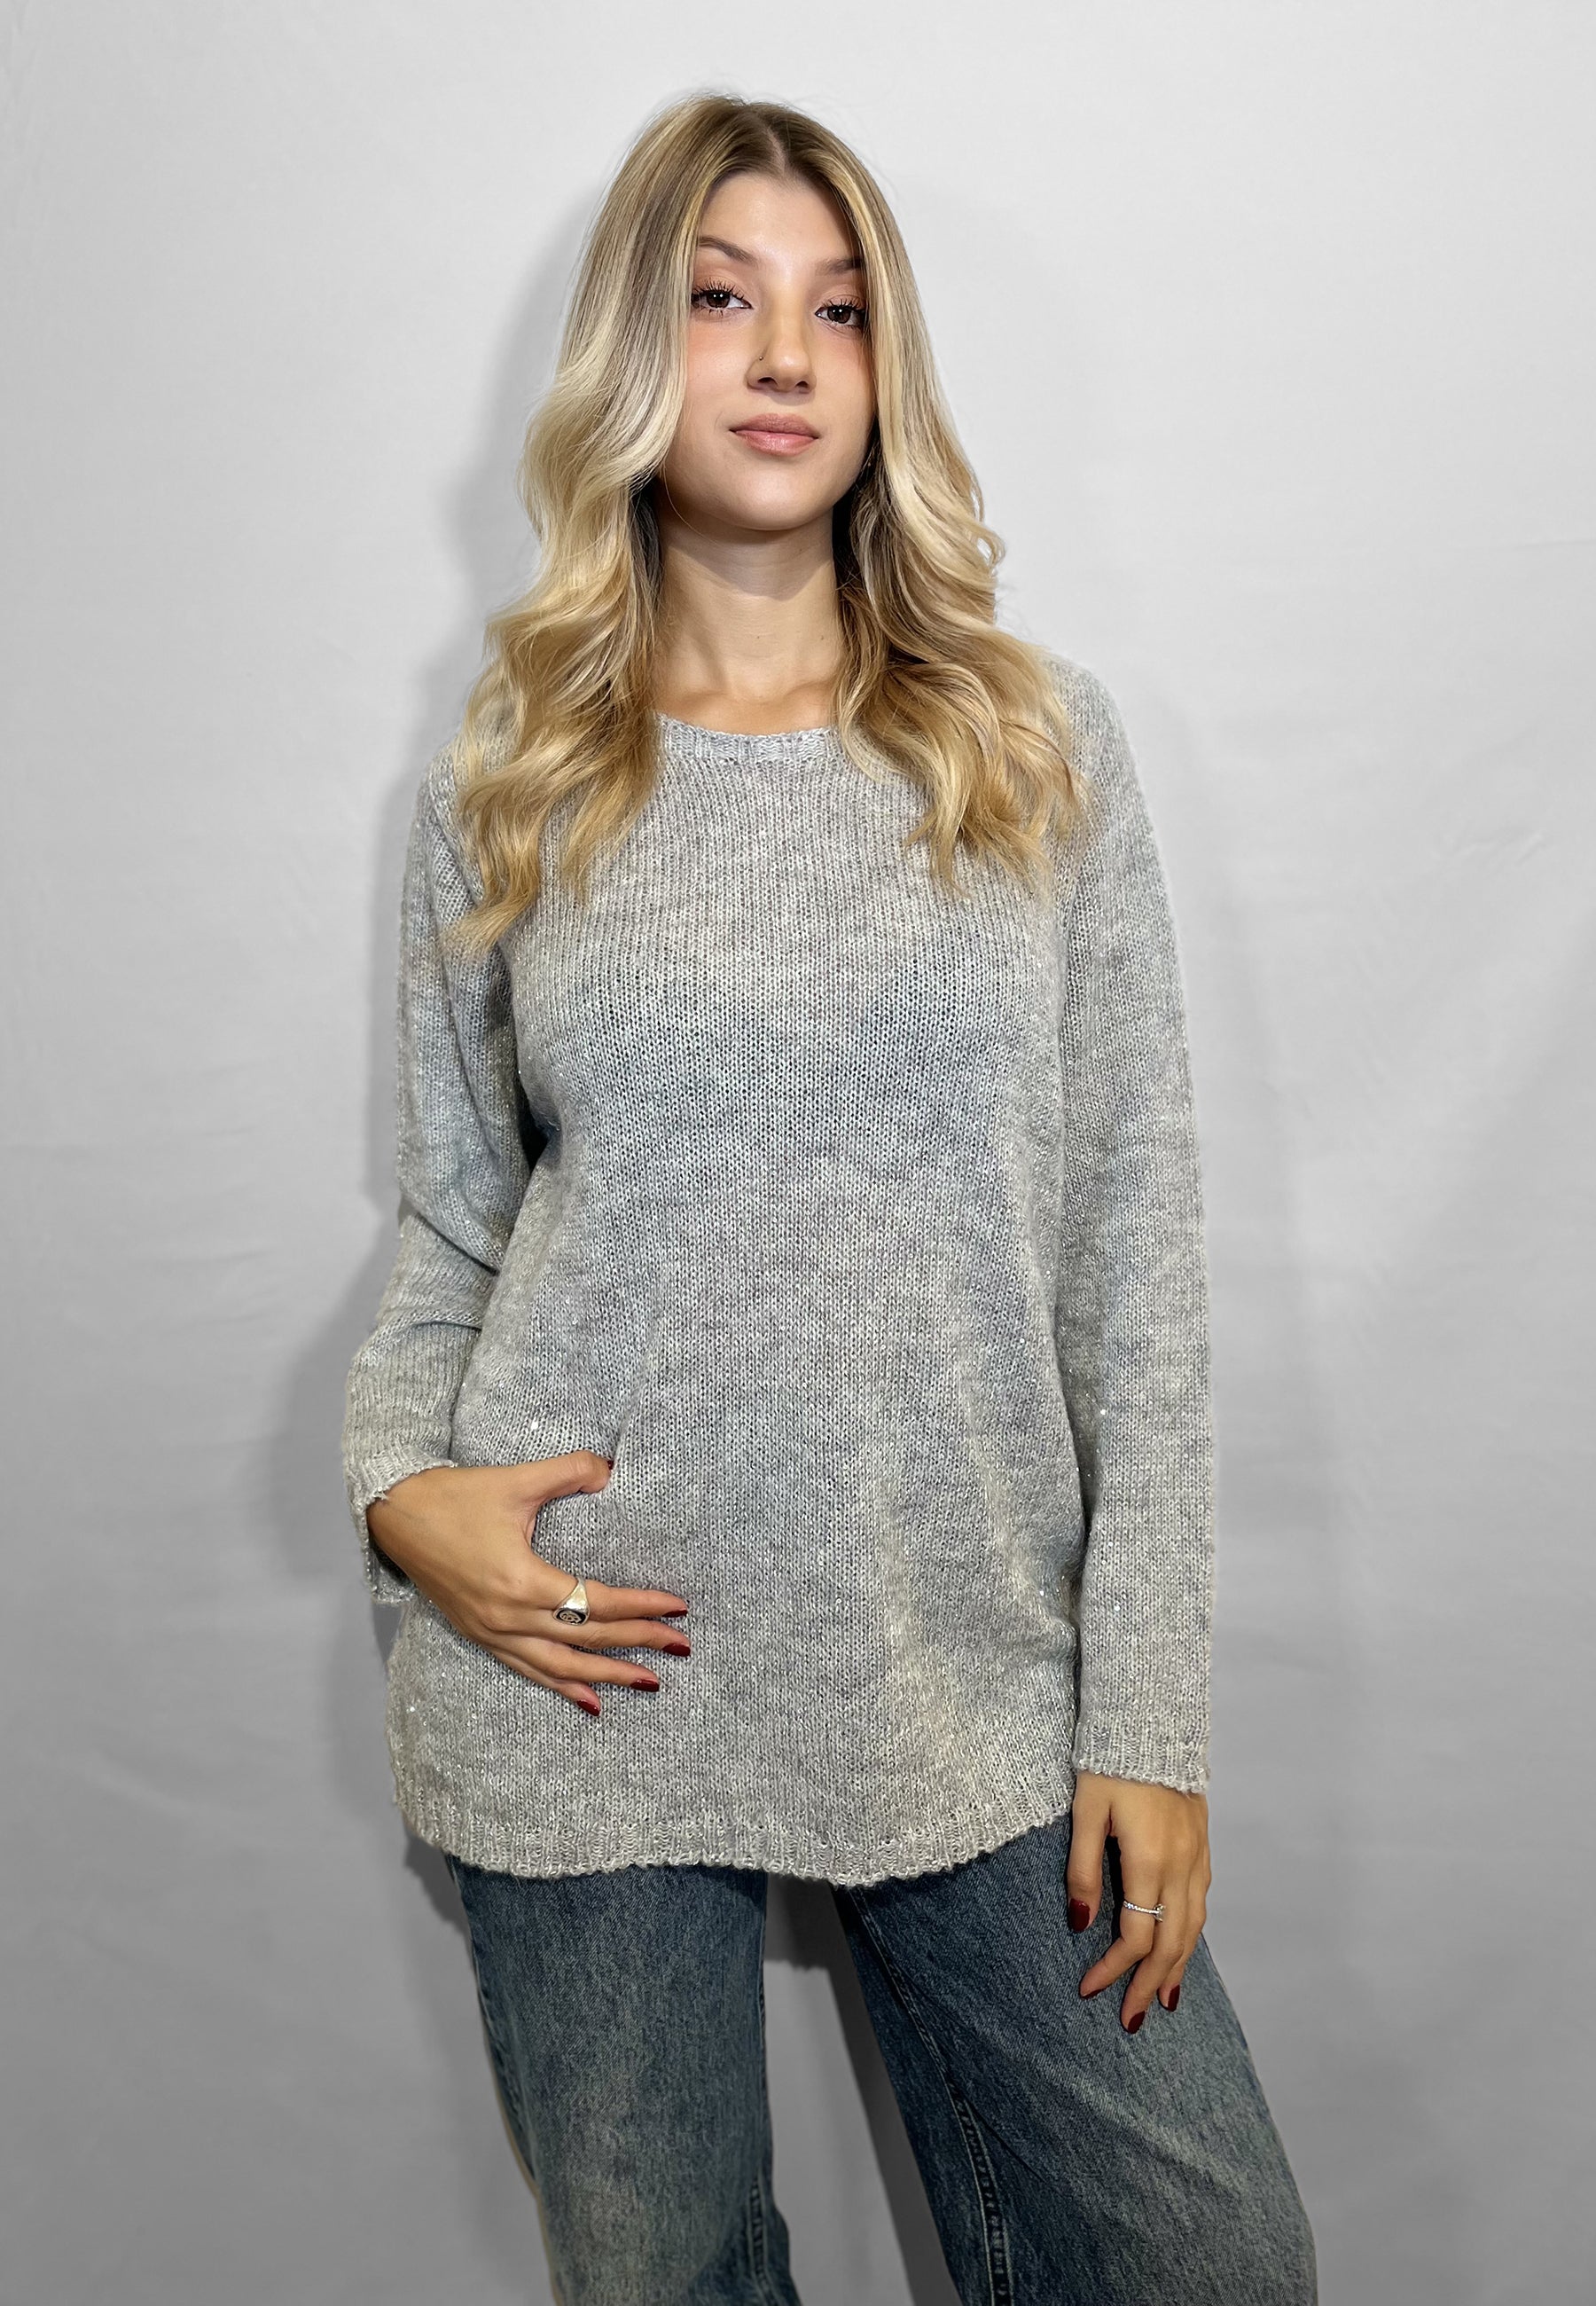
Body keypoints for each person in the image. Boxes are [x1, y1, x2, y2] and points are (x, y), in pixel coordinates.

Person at [342, 89, 1318, 2306]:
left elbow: (1135, 1258)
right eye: (720, 298)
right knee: (668, 2278)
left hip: (966, 1665)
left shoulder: (1031, 746)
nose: (785, 355)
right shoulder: (510, 773)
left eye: (841, 309)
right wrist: (401, 1490)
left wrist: (1147, 1720)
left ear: (890, 371)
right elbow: (454, 1227)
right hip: (586, 1669)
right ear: (636, 350)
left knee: (1213, 2262)